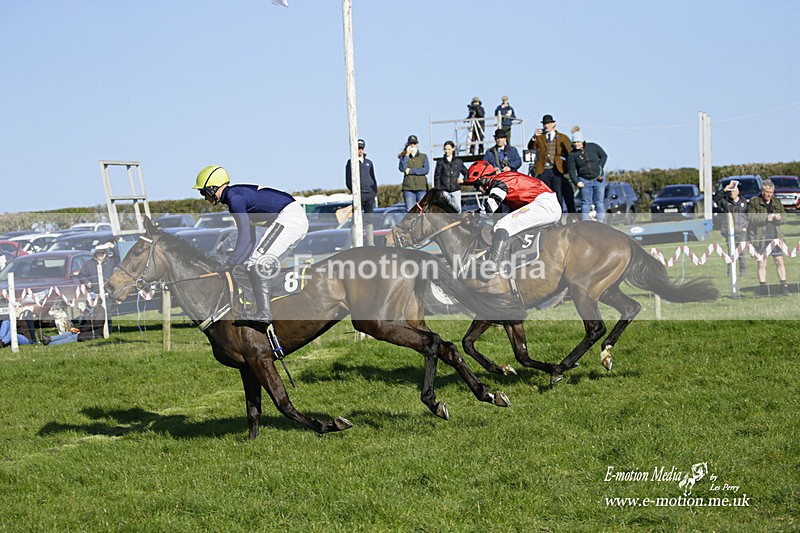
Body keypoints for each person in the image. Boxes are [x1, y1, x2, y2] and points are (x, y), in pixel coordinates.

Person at [193, 165, 309, 324]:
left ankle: (264, 313)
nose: (204, 197)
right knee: (253, 265)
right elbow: (250, 239)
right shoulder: (235, 197)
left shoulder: (235, 199)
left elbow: (245, 236)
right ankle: (269, 306)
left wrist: (230, 263)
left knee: (257, 264)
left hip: (290, 218)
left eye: (203, 192)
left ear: (213, 188)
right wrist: (236, 263)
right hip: (293, 219)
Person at [464, 160, 561, 279]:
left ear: (484, 179)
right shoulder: (503, 178)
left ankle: (493, 264)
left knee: (502, 225)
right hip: (546, 203)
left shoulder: (498, 182)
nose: (477, 189)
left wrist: (473, 215)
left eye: (476, 184)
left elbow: (489, 209)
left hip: (544, 205)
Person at [746, 179, 790, 296]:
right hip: (761, 237)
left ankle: (784, 286)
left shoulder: (777, 202)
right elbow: (750, 218)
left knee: (779, 261)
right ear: (762, 191)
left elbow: (785, 217)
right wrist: (766, 217)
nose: (768, 194)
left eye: (770, 192)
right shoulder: (754, 202)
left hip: (776, 237)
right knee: (761, 263)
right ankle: (763, 288)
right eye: (766, 192)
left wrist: (780, 218)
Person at [528, 114, 574, 213]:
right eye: (545, 123)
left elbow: (570, 152)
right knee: (545, 196)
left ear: (553, 124)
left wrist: (565, 163)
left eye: (548, 123)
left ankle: (559, 217)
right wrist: (534, 137)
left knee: (558, 195)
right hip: (543, 170)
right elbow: (531, 149)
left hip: (557, 170)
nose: (546, 125)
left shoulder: (562, 137)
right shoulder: (539, 137)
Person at [566, 127, 608, 223]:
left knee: (599, 202)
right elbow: (571, 170)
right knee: (585, 202)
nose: (576, 144)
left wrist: (600, 168)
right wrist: (577, 182)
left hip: (598, 179)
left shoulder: (593, 146)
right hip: (584, 180)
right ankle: (585, 223)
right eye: (574, 143)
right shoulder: (572, 155)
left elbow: (604, 156)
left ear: (582, 141)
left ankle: (600, 222)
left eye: (578, 142)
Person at [345, 138, 379, 245]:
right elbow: (348, 179)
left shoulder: (369, 163)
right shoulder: (351, 162)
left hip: (369, 195)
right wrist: (354, 191)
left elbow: (373, 177)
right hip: (358, 195)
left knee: (369, 220)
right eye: (358, 148)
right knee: (356, 220)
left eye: (361, 148)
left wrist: (374, 192)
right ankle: (355, 243)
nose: (360, 150)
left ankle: (370, 243)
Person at [712, 179, 748, 276]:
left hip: (741, 231)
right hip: (729, 231)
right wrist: (724, 189)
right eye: (730, 191)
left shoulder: (744, 202)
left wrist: (746, 227)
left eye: (734, 190)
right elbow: (715, 198)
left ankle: (743, 272)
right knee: (730, 252)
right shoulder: (725, 202)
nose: (732, 193)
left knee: (742, 253)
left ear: (738, 191)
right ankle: (730, 273)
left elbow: (749, 216)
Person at [41, 302, 106, 345]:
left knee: (70, 338)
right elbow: (84, 323)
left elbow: (97, 323)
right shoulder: (89, 310)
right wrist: (77, 328)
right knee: (67, 333)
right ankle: (50, 339)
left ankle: (50, 344)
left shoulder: (100, 309)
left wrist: (81, 329)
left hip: (94, 333)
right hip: (85, 331)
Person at [434, 140, 468, 212]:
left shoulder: (458, 162)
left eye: (449, 149)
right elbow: (437, 176)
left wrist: (464, 180)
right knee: (445, 211)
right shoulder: (440, 162)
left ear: (453, 149)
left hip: (456, 190)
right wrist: (439, 190)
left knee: (457, 211)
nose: (447, 151)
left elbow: (466, 173)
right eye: (445, 149)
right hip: (444, 191)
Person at [398, 135, 430, 211]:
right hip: (408, 189)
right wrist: (406, 155)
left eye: (414, 143)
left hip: (422, 188)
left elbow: (425, 170)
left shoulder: (423, 156)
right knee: (410, 210)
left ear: (417, 144)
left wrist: (410, 171)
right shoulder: (403, 157)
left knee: (423, 210)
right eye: (411, 143)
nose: (412, 145)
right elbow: (402, 169)